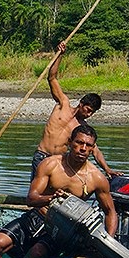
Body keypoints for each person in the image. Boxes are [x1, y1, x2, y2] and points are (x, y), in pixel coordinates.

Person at [0, 124, 118, 258]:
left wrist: (108, 242)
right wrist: (52, 198)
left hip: (62, 228)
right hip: (37, 216)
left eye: (88, 145)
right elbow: (31, 199)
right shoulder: (50, 164)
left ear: (92, 148)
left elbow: (110, 212)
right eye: (79, 142)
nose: (83, 148)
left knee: (37, 253)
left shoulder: (96, 178)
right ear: (69, 142)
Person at [32, 42, 120, 180]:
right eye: (88, 110)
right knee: (35, 194)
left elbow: (94, 150)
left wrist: (107, 169)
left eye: (92, 113)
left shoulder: (81, 127)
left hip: (58, 161)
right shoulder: (63, 104)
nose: (89, 114)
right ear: (81, 104)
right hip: (42, 155)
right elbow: (52, 78)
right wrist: (60, 54)